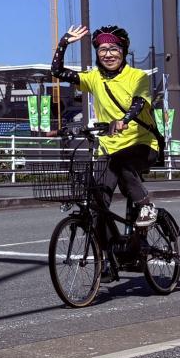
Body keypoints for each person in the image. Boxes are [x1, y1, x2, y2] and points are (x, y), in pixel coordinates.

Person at [51, 23, 162, 277]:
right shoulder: (93, 78)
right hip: (108, 148)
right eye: (102, 50)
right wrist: (64, 42)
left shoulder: (138, 77)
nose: (108, 54)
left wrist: (124, 119)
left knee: (123, 163)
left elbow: (138, 102)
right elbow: (57, 71)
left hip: (142, 144)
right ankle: (111, 257)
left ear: (123, 51)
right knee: (96, 206)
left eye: (113, 49)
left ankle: (147, 206)